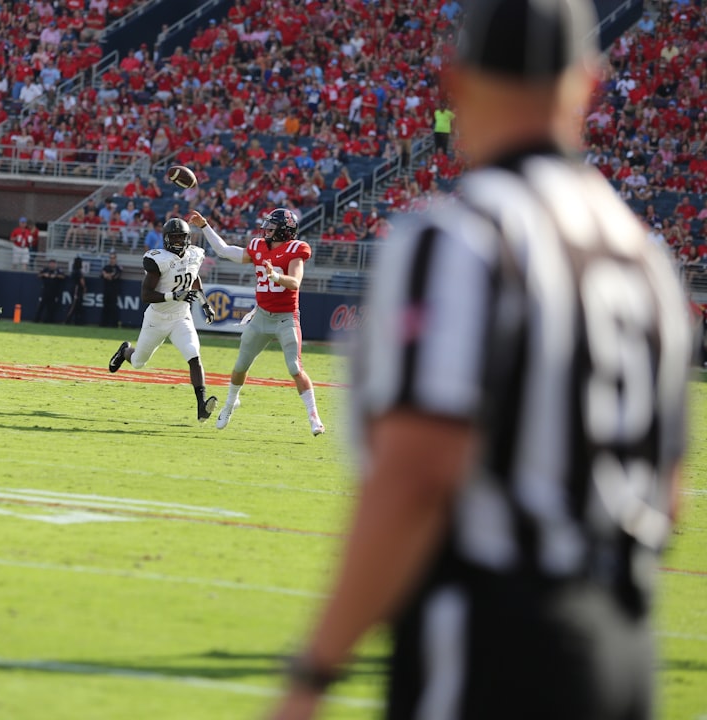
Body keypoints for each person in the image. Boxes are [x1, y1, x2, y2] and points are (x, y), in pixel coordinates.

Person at [268, 2, 690, 719]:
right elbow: (668, 493)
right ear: (588, 82)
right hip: (625, 647)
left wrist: (314, 672)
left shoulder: (458, 239)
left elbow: (417, 473)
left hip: (495, 640)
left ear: (457, 83)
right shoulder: (646, 261)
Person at [188, 208, 325, 436]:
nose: (266, 230)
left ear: (285, 230)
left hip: (285, 318)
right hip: (261, 317)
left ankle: (314, 418)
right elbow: (224, 251)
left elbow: (295, 282)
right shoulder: (258, 246)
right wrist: (204, 226)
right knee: (240, 366)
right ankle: (230, 404)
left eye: (272, 227)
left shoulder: (296, 249)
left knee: (295, 367)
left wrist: (275, 276)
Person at [108, 218, 218, 422]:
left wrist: (204, 303)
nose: (178, 241)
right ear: (166, 239)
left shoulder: (194, 254)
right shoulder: (158, 259)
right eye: (174, 237)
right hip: (157, 319)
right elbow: (146, 295)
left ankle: (202, 406)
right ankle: (125, 351)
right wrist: (173, 296)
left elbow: (193, 276)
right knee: (138, 362)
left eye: (181, 237)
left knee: (194, 355)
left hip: (181, 317)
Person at [34, 258, 66, 323]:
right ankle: (36, 319)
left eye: (53, 264)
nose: (52, 265)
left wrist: (56, 276)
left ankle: (48, 320)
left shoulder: (58, 270)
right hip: (45, 291)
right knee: (41, 306)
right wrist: (44, 275)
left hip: (54, 291)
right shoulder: (45, 270)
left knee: (51, 307)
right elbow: (38, 275)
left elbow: (63, 276)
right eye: (51, 264)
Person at [99, 251, 123, 327]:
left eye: (113, 258)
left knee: (113, 307)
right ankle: (103, 324)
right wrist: (109, 275)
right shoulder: (106, 267)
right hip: (106, 291)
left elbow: (115, 277)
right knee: (105, 307)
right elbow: (102, 276)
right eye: (111, 258)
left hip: (114, 291)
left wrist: (107, 275)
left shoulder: (118, 268)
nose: (112, 259)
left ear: (115, 259)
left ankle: (113, 324)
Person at [63, 256, 87, 325]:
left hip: (74, 289)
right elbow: (82, 281)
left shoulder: (74, 271)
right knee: (73, 305)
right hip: (77, 289)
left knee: (78, 306)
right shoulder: (78, 272)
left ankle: (78, 321)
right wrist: (84, 287)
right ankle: (67, 320)